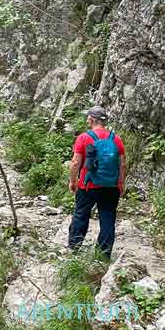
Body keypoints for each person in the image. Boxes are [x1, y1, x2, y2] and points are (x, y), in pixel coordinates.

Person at [68, 106, 126, 259]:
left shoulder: (84, 138)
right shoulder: (116, 139)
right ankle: (103, 255)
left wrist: (73, 181)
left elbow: (75, 162)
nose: (87, 120)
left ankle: (74, 249)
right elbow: (122, 164)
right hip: (111, 186)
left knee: (81, 214)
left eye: (88, 117)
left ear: (92, 119)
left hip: (88, 186)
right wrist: (121, 183)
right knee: (108, 218)